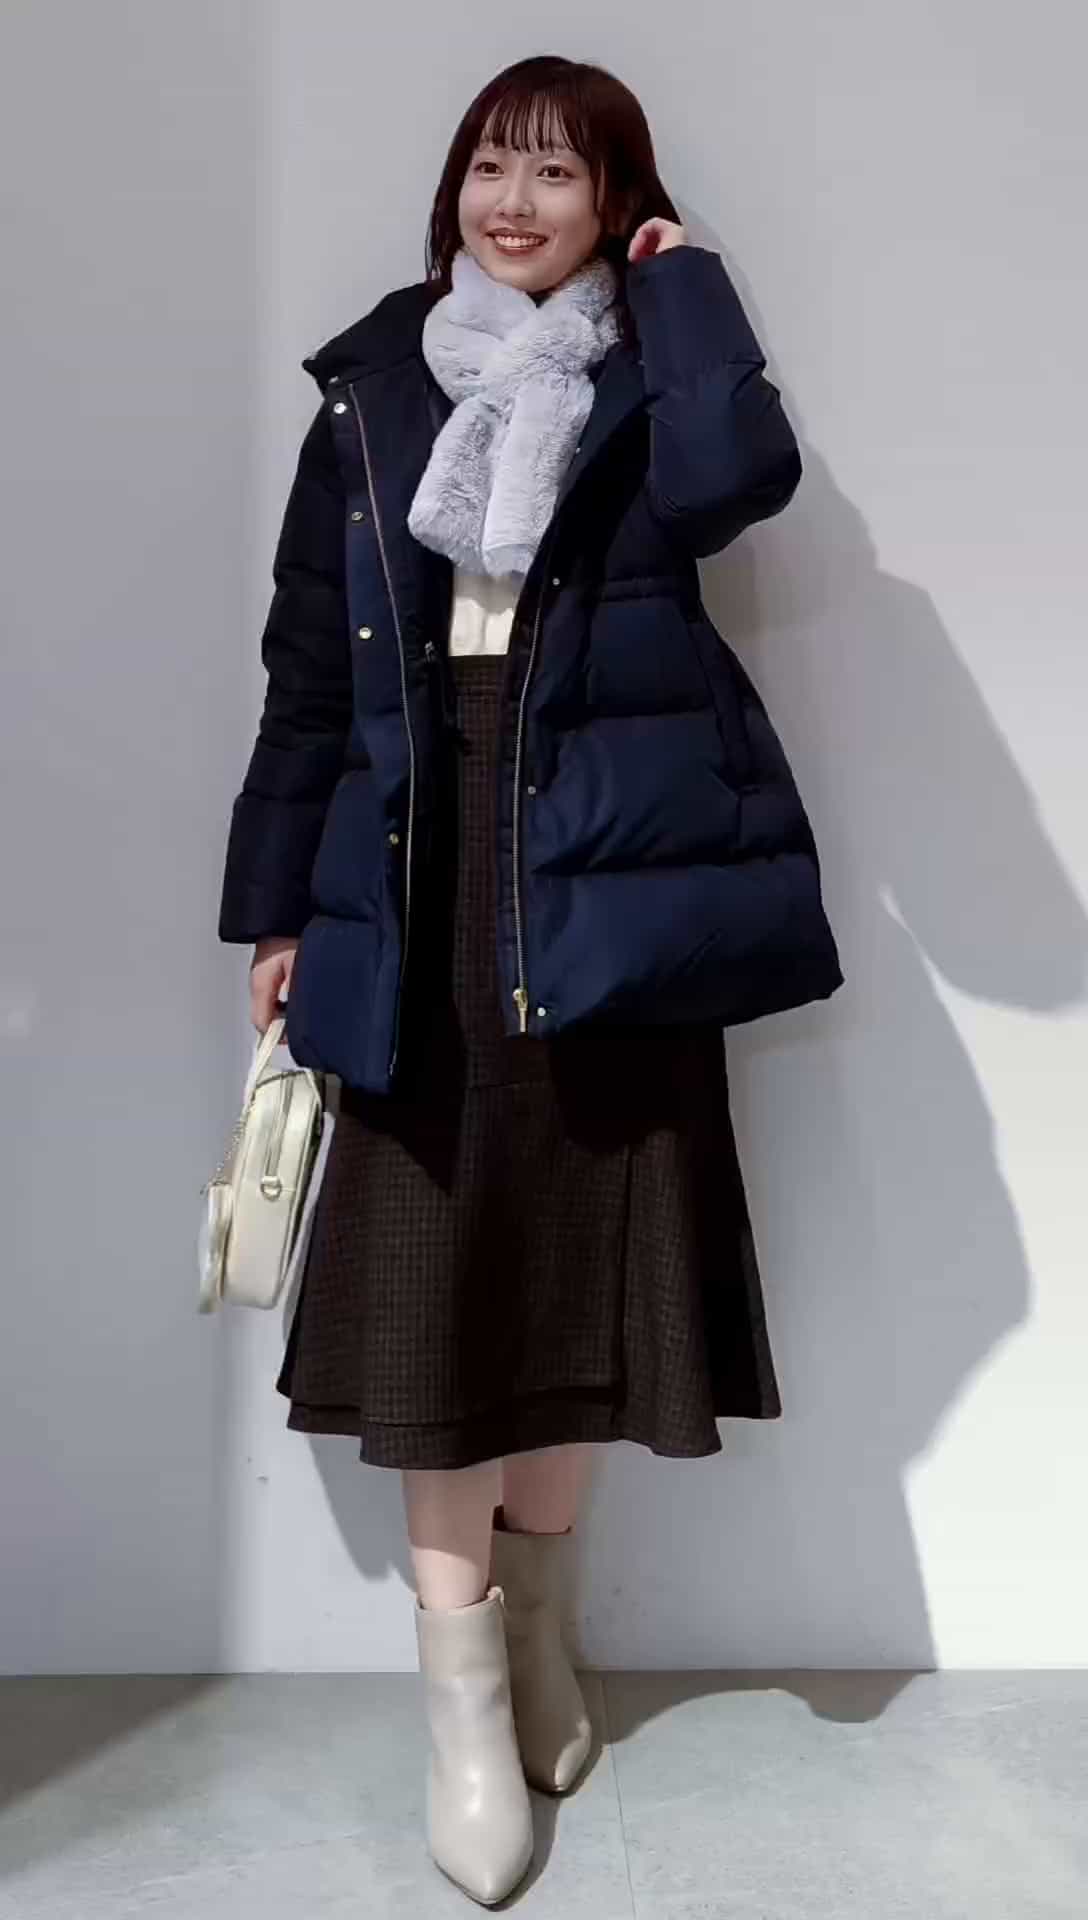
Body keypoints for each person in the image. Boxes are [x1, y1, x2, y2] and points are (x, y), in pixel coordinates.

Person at [216, 53, 842, 1907]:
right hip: (416, 869)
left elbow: (740, 485)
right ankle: (468, 1720)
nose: (515, 200)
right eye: (493, 164)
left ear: (615, 205)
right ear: (455, 189)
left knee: (579, 1275)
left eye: (559, 174)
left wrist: (690, 288)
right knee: (435, 1288)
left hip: (608, 877)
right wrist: (274, 911)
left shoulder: (655, 380)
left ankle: (549, 1640)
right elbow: (307, 676)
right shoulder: (374, 387)